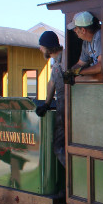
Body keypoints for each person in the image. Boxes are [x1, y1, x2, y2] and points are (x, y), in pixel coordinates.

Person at [35, 30, 66, 167]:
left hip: (69, 108)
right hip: (62, 107)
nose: (40, 49)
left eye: (42, 46)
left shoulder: (65, 59)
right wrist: (47, 104)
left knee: (59, 146)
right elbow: (52, 82)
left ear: (48, 46)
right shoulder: (56, 62)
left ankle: (73, 180)